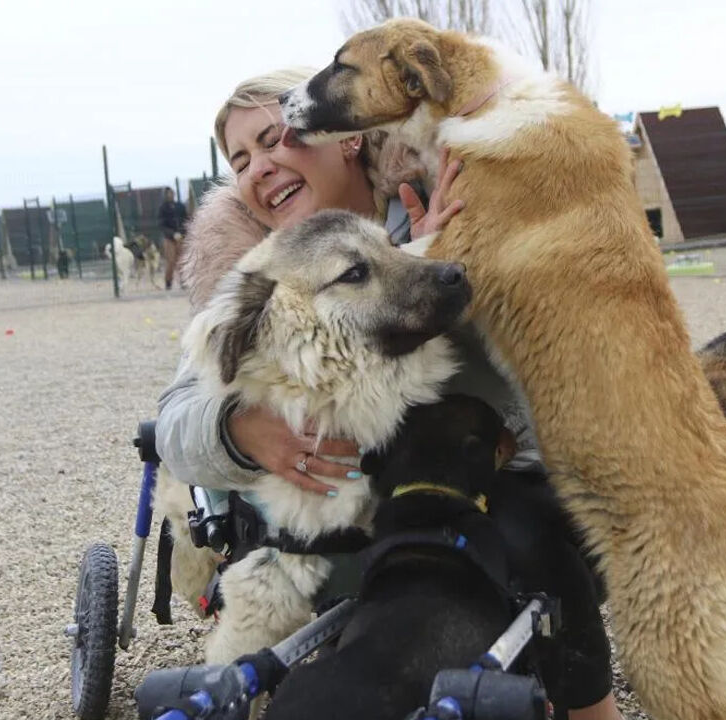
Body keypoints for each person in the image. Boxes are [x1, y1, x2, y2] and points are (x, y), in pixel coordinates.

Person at [155, 67, 623, 720]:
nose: (260, 166)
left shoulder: (455, 199)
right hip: (337, 537)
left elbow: (556, 357)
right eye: (240, 158)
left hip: (482, 495)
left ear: (342, 137)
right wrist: (241, 428)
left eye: (276, 139)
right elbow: (176, 419)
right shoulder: (253, 272)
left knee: (526, 534)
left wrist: (430, 271)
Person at [158, 187, 188, 290]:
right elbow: (162, 225)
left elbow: (186, 220)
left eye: (171, 193)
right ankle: (168, 282)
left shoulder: (180, 206)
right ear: (165, 195)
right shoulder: (162, 208)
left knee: (182, 260)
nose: (170, 195)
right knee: (171, 261)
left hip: (181, 237)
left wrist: (182, 232)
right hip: (169, 238)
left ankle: (183, 281)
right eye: (168, 194)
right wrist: (172, 234)